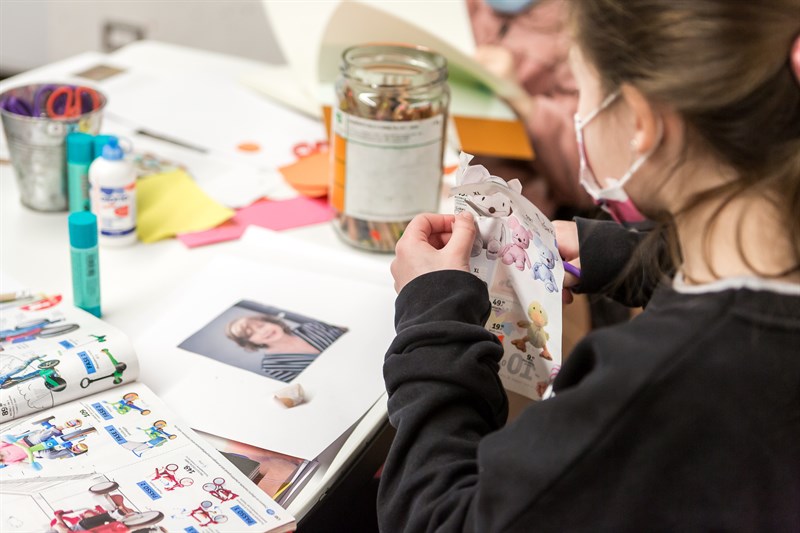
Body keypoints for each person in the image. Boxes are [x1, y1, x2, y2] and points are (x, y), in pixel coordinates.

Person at [379, 1, 800, 530]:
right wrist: (622, 253)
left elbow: (437, 517)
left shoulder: (650, 386)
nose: (580, 117)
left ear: (642, 122)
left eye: (584, 90)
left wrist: (432, 322)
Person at [468, 0, 592, 217]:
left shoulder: (580, 26)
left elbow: (586, 175)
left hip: (516, 213)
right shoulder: (468, 10)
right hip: (448, 180)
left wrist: (520, 101)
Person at [226, 313, 347, 382]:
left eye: (261, 325)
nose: (263, 332)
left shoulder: (311, 327)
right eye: (251, 334)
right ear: (249, 342)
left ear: (271, 322)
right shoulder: (271, 365)